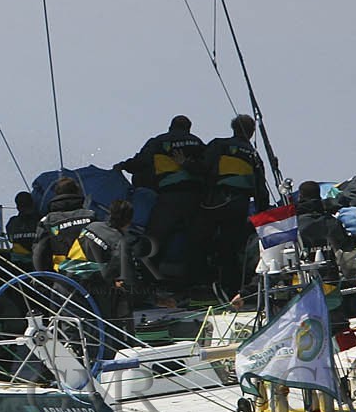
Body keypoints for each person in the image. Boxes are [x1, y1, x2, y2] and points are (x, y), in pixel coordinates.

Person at [114, 115, 205, 273]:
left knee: (154, 238)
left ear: (170, 127)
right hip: (196, 199)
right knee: (195, 240)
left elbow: (140, 162)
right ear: (189, 129)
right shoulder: (197, 143)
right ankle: (194, 282)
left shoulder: (159, 141)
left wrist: (122, 166)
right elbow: (208, 167)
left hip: (170, 197)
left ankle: (148, 278)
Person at [190, 115, 270, 294]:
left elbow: (203, 167)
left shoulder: (220, 145)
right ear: (251, 133)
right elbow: (261, 190)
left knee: (201, 240)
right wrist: (262, 216)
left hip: (216, 201)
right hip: (239, 205)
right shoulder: (254, 155)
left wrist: (186, 165)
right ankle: (231, 288)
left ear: (233, 128)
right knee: (231, 247)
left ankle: (202, 285)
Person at [296, 179, 356, 317]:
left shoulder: (293, 225)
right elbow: (347, 246)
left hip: (302, 284)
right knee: (335, 323)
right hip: (330, 281)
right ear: (319, 196)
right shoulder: (330, 221)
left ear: (300, 197)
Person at [31, 177, 96, 273]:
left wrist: (45, 278)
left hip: (62, 278)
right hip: (92, 276)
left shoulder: (47, 221)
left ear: (56, 195)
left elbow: (39, 254)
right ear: (78, 192)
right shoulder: (91, 216)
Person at [2, 191, 40, 262]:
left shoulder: (12, 222)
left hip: (17, 262)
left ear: (17, 207)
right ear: (33, 204)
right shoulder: (42, 220)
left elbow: (10, 239)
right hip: (38, 262)